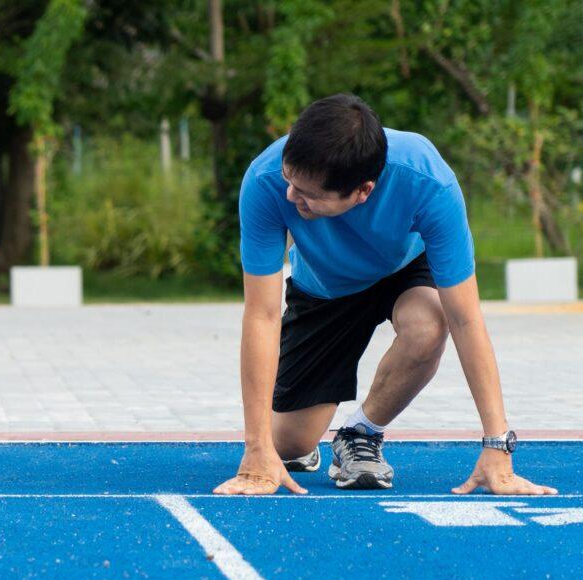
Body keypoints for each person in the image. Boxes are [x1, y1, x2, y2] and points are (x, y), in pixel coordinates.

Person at [215, 93, 556, 496]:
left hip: (405, 268)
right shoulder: (265, 180)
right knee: (287, 442)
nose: (291, 196)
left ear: (363, 191)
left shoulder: (428, 180)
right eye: (290, 180)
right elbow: (262, 315)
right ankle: (296, 445)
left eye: (308, 194)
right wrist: (256, 449)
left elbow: (466, 318)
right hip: (325, 287)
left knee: (431, 322)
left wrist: (498, 446)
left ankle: (360, 433)